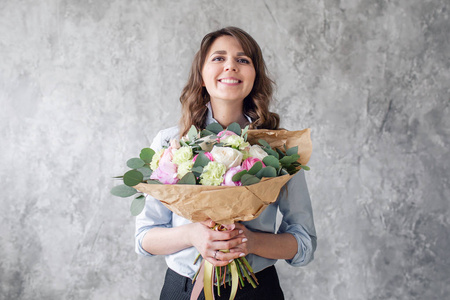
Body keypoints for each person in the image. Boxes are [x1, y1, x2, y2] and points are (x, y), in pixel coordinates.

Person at [135, 26, 317, 300]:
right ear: (201, 75)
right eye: (218, 58)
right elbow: (144, 239)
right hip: (183, 290)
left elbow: (304, 243)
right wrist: (193, 234)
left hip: (257, 290)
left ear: (254, 76)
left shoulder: (280, 150)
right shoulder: (168, 143)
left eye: (243, 60)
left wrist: (252, 242)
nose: (230, 66)